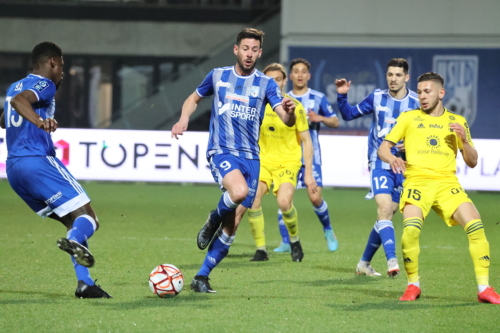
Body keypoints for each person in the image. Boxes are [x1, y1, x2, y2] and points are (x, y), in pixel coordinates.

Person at [171, 28, 296, 293]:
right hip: (222, 150)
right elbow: (193, 99)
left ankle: (202, 276)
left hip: (252, 158)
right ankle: (213, 219)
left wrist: (290, 113)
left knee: (234, 223)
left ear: (260, 53)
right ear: (236, 49)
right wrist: (184, 119)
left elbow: (285, 119)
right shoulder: (218, 76)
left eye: (255, 50)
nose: (249, 54)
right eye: (245, 48)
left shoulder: (266, 84)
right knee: (237, 193)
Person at [0, 42, 111, 298]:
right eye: (61, 65)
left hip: (14, 170)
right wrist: (40, 121)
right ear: (52, 61)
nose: (62, 72)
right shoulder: (44, 84)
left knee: (74, 222)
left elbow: (8, 114)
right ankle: (76, 248)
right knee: (90, 219)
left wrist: (27, 115)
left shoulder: (13, 86)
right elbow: (20, 102)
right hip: (36, 160)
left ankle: (85, 284)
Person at [378, 71, 500, 303]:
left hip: (447, 184)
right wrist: (392, 158)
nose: (422, 96)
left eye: (427, 92)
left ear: (441, 93)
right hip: (417, 182)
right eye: (420, 92)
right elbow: (383, 148)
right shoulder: (408, 118)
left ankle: (484, 288)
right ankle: (413, 284)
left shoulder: (457, 122)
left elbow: (472, 162)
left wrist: (464, 141)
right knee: (410, 231)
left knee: (476, 227)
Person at [335, 58, 420, 277]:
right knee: (384, 209)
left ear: (406, 77)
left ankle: (364, 263)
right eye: (390, 74)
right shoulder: (377, 97)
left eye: (398, 75)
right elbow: (348, 115)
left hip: (404, 166)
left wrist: (411, 143)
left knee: (388, 213)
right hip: (379, 161)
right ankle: (392, 260)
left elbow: (425, 132)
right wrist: (342, 95)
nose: (393, 79)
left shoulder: (417, 102)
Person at [246, 63, 317, 262]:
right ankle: (261, 249)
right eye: (270, 80)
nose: (274, 83)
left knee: (284, 202)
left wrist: (308, 172)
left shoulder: (294, 106)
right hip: (262, 163)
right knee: (253, 199)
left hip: (288, 162)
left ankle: (294, 241)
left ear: (284, 81)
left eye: (278, 79)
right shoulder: (256, 105)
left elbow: (306, 141)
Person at [273, 58, 339, 253]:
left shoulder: (318, 98)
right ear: (290, 76)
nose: (300, 74)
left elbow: (335, 121)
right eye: (296, 71)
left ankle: (328, 230)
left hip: (311, 158)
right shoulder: (280, 99)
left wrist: (320, 118)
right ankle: (286, 240)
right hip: (286, 158)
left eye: (304, 71)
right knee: (284, 199)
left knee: (315, 198)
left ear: (308, 76)